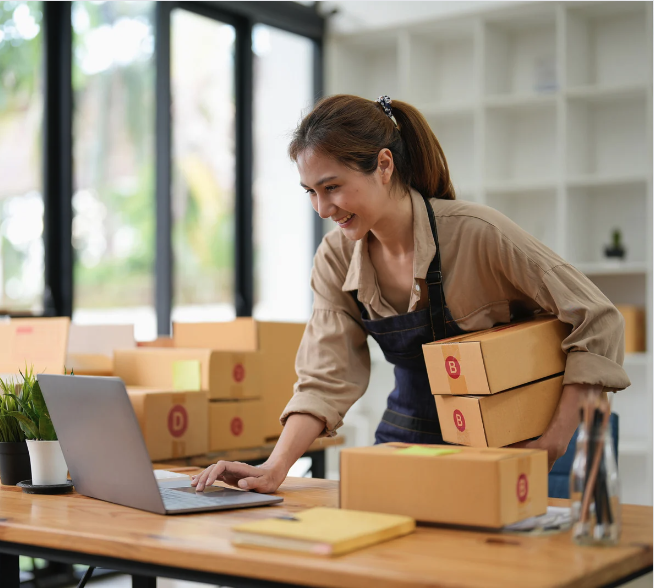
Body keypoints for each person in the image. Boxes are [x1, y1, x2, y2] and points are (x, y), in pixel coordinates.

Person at [191, 95, 630, 494]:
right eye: (311, 192)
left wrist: (552, 441)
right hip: (409, 434)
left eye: (332, 186)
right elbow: (327, 376)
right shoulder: (335, 258)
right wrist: (274, 467)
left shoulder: (477, 233)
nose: (323, 209)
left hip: (516, 440)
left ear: (384, 165)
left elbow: (599, 319)